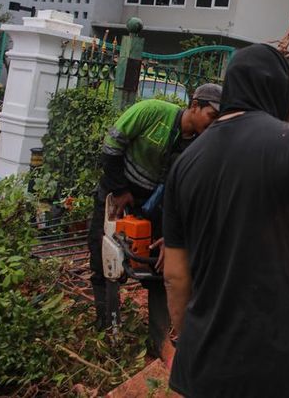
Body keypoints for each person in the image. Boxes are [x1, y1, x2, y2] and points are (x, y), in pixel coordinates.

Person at [162, 44, 289, 397]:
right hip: (274, 368)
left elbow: (175, 275)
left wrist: (189, 342)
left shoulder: (185, 163)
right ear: (275, 90)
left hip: (201, 370)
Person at [87, 83, 222, 356]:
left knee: (160, 270)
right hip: (117, 193)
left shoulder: (204, 145)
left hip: (160, 207)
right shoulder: (151, 112)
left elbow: (193, 193)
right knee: (105, 260)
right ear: (194, 106)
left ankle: (158, 343)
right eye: (212, 115)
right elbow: (112, 146)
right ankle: (106, 330)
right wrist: (121, 189)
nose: (215, 123)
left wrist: (173, 235)